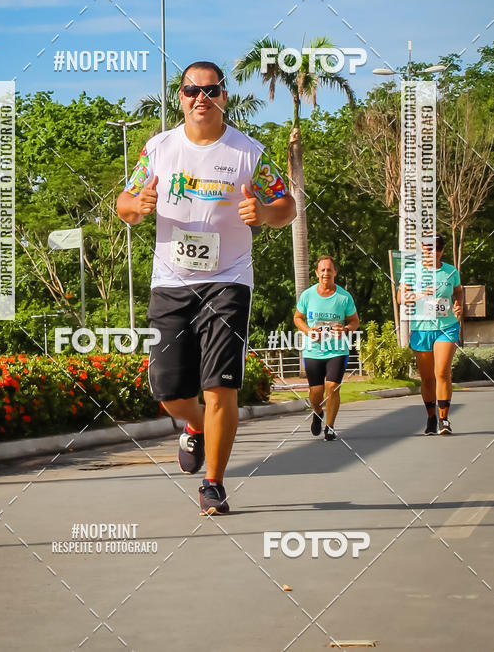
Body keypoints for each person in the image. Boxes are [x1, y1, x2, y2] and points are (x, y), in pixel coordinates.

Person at [117, 61, 296, 514]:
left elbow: (287, 205)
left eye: (210, 91)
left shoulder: (247, 153)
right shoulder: (159, 149)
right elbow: (124, 203)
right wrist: (137, 205)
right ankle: (193, 425)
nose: (201, 98)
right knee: (169, 393)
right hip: (170, 282)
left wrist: (267, 214)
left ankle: (213, 484)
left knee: (220, 386)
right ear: (179, 97)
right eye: (190, 91)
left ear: (224, 97)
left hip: (228, 279)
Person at [397, 234, 463, 435]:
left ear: (440, 251)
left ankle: (444, 419)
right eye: (425, 249)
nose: (429, 253)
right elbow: (401, 298)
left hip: (446, 327)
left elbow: (458, 291)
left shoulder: (450, 271)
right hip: (421, 328)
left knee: (441, 372)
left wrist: (459, 304)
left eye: (434, 249)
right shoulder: (411, 272)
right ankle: (431, 418)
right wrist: (418, 294)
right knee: (427, 379)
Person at [293, 256, 360, 441]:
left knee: (333, 387)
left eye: (329, 270)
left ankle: (330, 427)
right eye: (322, 270)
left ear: (335, 272)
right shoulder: (308, 295)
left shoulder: (344, 297)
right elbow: (297, 318)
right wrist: (308, 331)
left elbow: (354, 321)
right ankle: (317, 412)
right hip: (313, 350)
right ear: (316, 273)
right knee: (316, 393)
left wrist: (345, 330)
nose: (325, 273)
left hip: (337, 350)